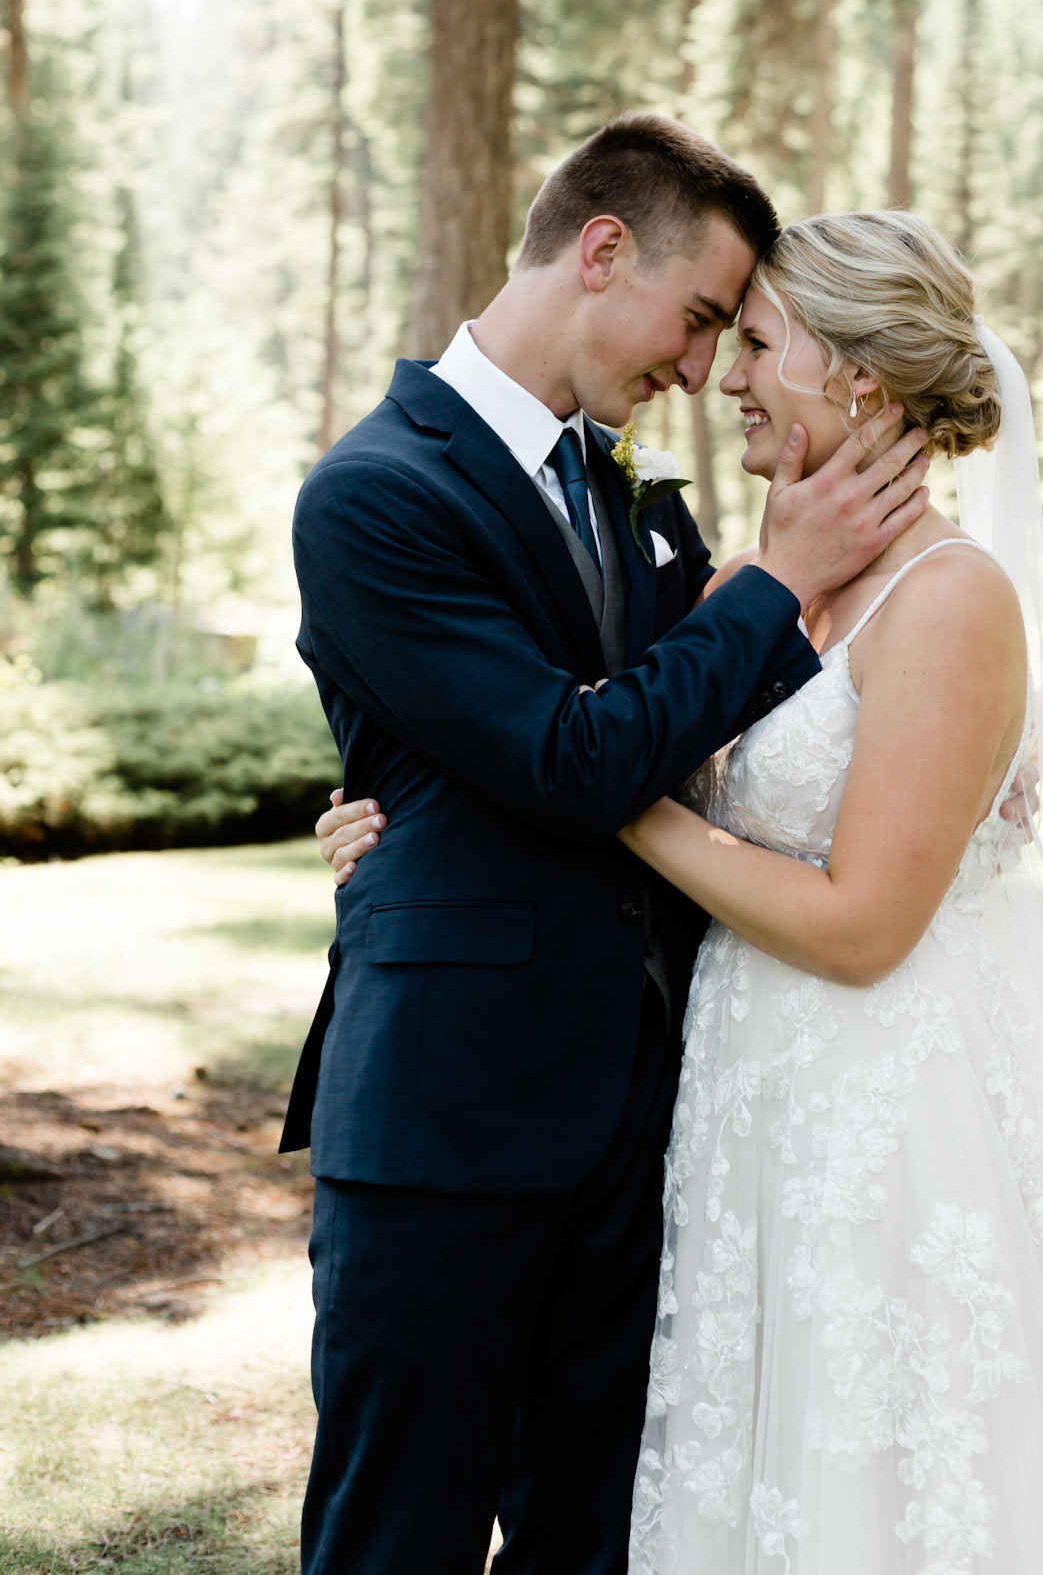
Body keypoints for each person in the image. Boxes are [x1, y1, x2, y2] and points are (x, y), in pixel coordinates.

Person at [323, 209, 1043, 1573]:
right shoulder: (756, 582)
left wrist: (597, 794)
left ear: (855, 376)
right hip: (733, 1100)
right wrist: (418, 807)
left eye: (752, 342)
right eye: (718, 333)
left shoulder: (950, 597)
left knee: (881, 1472)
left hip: (880, 1105)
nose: (723, 376)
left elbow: (850, 915)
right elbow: (594, 710)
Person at [283, 114, 931, 1575]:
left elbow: (704, 723)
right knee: (400, 1538)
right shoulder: (374, 493)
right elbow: (570, 760)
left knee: (595, 1541)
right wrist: (775, 577)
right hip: (447, 1112)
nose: (701, 370)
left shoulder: (627, 492)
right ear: (599, 252)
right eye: (698, 318)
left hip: (647, 1109)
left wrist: (943, 732)